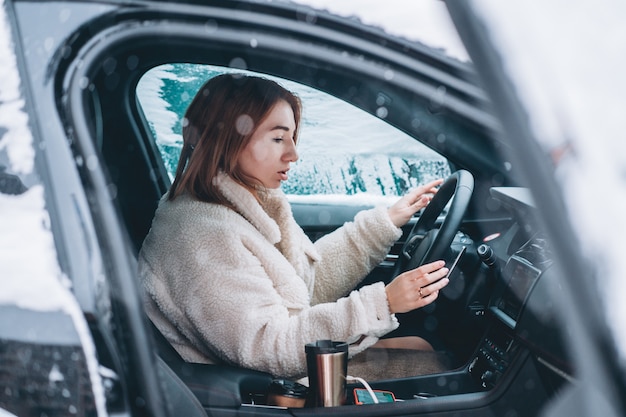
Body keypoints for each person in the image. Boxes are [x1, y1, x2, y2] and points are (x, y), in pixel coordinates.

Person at [138, 73, 450, 381]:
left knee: (419, 348)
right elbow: (267, 347)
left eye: (292, 138)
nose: (293, 154)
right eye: (277, 139)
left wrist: (385, 222)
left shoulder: (239, 204)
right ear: (229, 139)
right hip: (258, 393)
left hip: (271, 373)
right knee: (438, 368)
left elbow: (302, 284)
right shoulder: (203, 234)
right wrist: (384, 303)